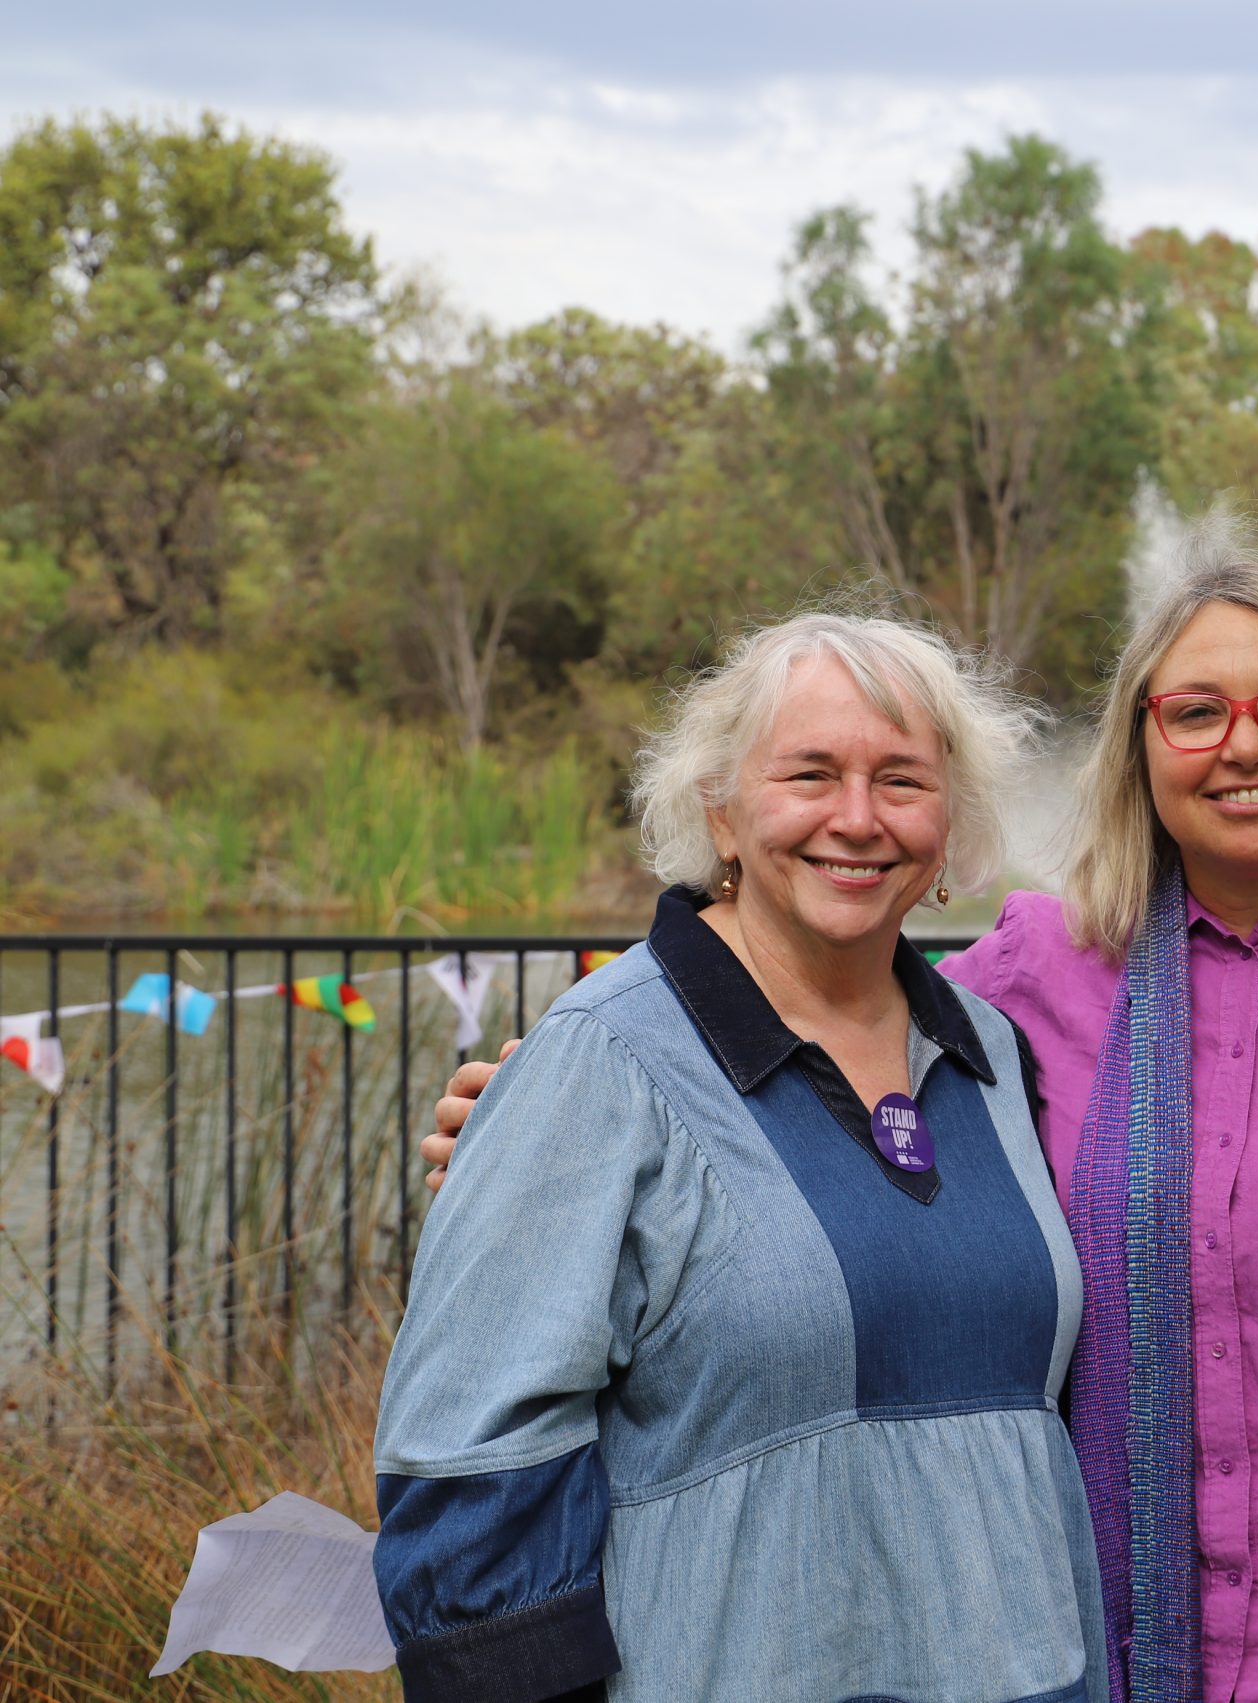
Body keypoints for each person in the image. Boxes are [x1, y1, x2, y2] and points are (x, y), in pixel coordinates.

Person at [429, 516, 1258, 1702]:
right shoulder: (1023, 981)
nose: (1244, 744)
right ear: (1142, 745)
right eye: (1197, 710)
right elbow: (810, 1047)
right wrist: (546, 1116)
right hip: (1114, 1641)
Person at [379, 608, 1105, 1703]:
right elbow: (471, 1458)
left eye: (902, 781)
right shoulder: (602, 1058)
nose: (857, 819)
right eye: (809, 774)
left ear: (949, 820)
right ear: (720, 808)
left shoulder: (991, 1050)